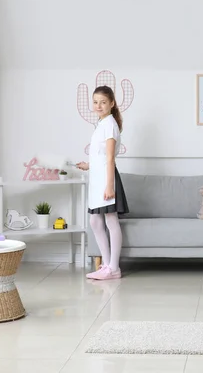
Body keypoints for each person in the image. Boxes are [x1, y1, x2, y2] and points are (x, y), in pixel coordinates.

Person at [76, 85, 130, 280]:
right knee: (95, 221)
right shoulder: (101, 124)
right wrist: (88, 164)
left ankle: (113, 268)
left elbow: (110, 158)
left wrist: (110, 186)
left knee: (111, 220)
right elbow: (100, 156)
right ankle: (106, 265)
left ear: (112, 103)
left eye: (103, 102)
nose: (98, 105)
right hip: (98, 178)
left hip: (106, 179)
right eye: (96, 102)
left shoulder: (109, 124)